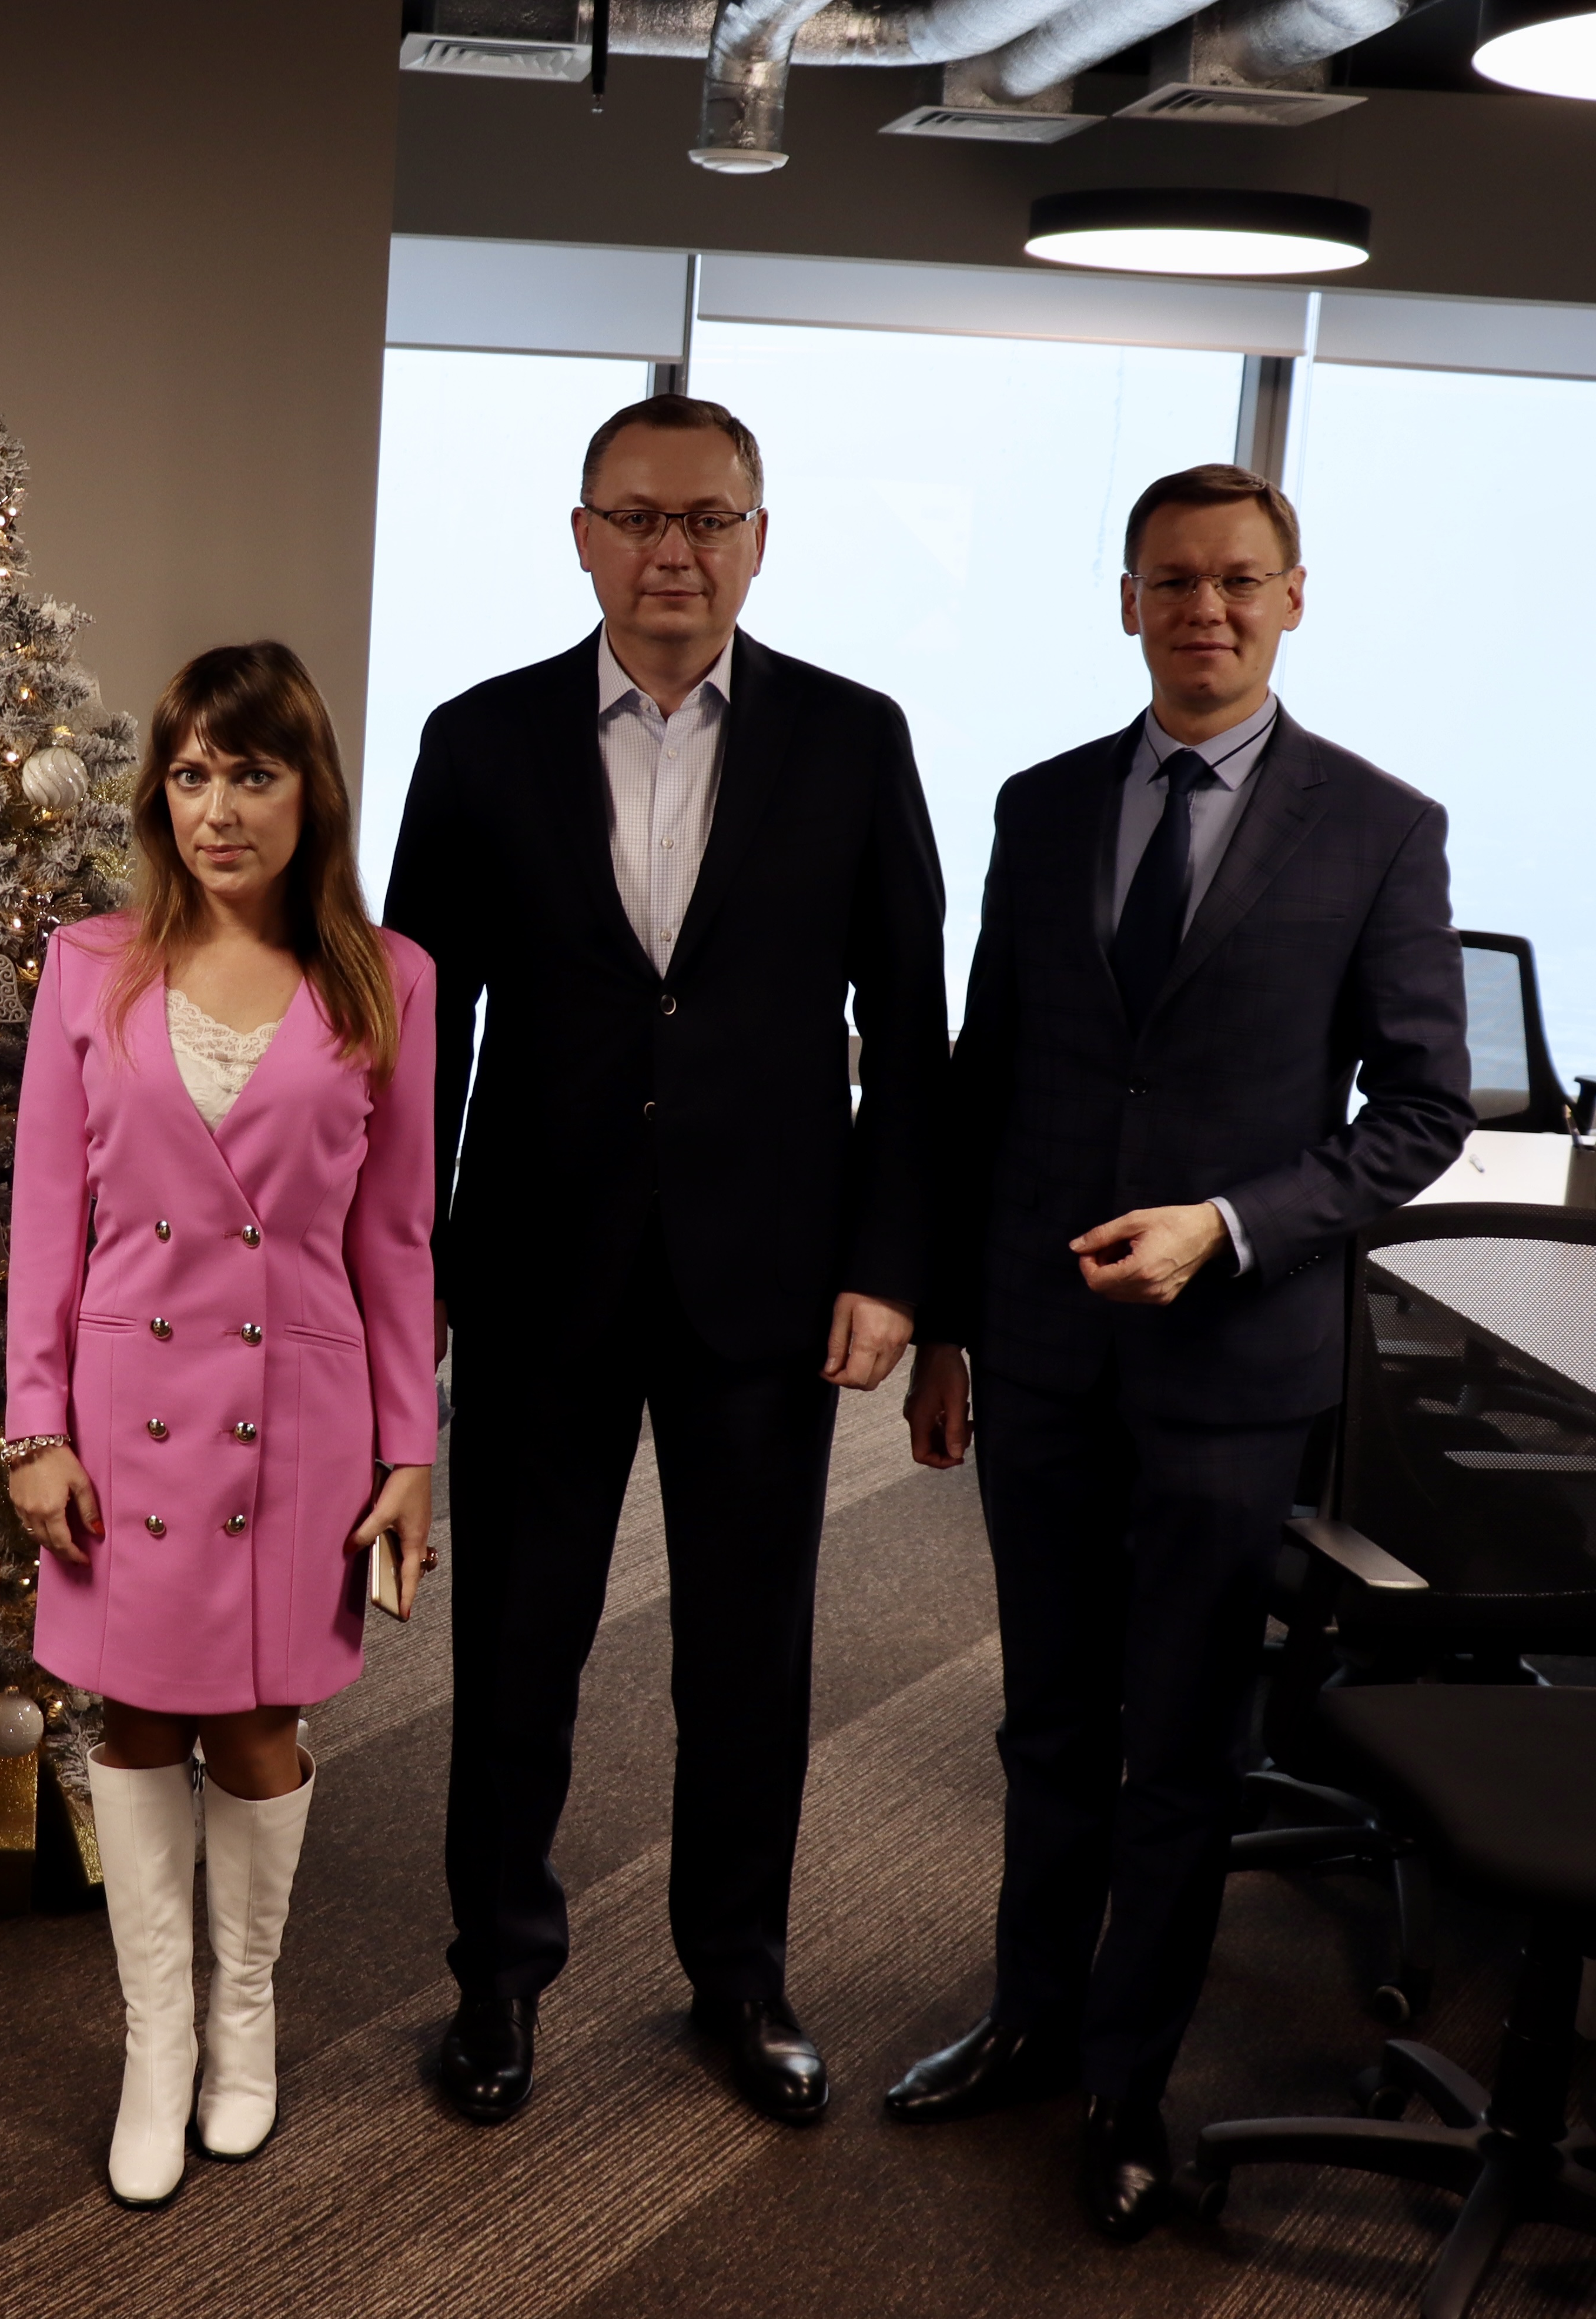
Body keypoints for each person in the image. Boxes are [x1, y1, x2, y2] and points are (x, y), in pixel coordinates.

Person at [886, 463, 1472, 2241]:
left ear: (1293, 598)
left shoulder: (1381, 827)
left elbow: (1423, 1108)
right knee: (1050, 1718)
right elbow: (992, 1076)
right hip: (1045, 1355)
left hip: (1236, 1369)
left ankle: (1129, 2083)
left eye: (1237, 580)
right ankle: (1032, 2021)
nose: (1202, 609)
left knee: (1185, 1745)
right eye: (1170, 580)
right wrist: (949, 1326)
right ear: (1127, 600)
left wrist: (1228, 1224)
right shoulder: (1045, 802)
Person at [383, 393, 949, 2131]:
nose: (673, 552)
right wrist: (412, 1263)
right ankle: (498, 1975)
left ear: (759, 542)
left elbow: (910, 1030)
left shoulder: (854, 740)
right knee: (519, 1647)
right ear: (582, 537)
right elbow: (417, 1038)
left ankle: (742, 1978)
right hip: (536, 1266)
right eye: (637, 517)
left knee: (748, 1654)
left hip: (766, 1281)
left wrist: (892, 1265)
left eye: (708, 519)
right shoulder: (479, 740)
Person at [4, 643, 439, 2210]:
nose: (219, 808)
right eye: (191, 775)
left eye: (253, 774)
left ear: (311, 791)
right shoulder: (89, 965)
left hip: (299, 1415)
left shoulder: (386, 978)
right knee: (132, 1722)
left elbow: (398, 1239)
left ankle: (242, 2012)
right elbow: (44, 1219)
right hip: (123, 1415)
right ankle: (158, 2043)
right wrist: (32, 1426)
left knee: (258, 1731)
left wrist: (411, 1451)